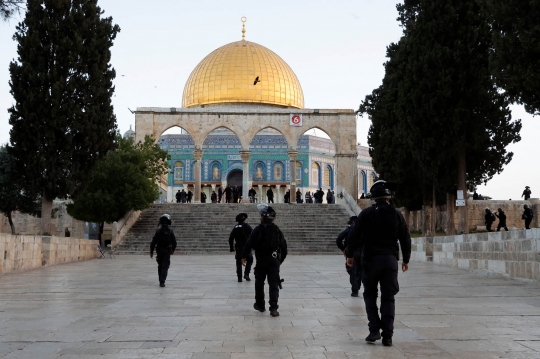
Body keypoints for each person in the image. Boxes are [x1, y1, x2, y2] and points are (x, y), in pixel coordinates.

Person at [346, 180, 411, 347]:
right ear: (388, 197)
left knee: (370, 295)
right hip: (390, 260)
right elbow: (405, 238)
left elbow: (353, 234)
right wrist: (406, 259)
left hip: (370, 260)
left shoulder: (366, 214)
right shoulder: (397, 214)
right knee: (388, 297)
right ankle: (388, 336)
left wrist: (350, 255)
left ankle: (374, 329)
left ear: (374, 197)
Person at [243, 203, 288, 317]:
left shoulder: (258, 229)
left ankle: (260, 305)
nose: (260, 217)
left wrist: (244, 256)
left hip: (262, 259)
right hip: (273, 260)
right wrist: (280, 260)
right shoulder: (277, 230)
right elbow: (284, 247)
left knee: (259, 282)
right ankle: (273, 308)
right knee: (273, 284)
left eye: (261, 215)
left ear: (264, 217)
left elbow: (249, 243)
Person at [150, 214, 178, 287]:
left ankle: (160, 279)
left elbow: (153, 242)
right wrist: (172, 250)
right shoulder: (170, 232)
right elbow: (174, 242)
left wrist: (151, 251)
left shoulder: (158, 231)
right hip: (167, 250)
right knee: (165, 266)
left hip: (159, 250)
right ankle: (162, 281)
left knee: (160, 265)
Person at [336, 216, 360, 297]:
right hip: (362, 253)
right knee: (360, 271)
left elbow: (339, 239)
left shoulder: (349, 229)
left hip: (351, 253)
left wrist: (343, 249)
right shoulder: (364, 229)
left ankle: (355, 290)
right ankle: (357, 285)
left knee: (352, 270)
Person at [229, 213, 253, 282]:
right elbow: (253, 235)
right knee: (250, 260)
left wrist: (231, 248)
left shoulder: (235, 227)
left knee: (238, 262)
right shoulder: (247, 226)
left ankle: (239, 277)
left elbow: (231, 238)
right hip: (246, 247)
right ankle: (246, 274)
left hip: (239, 247)